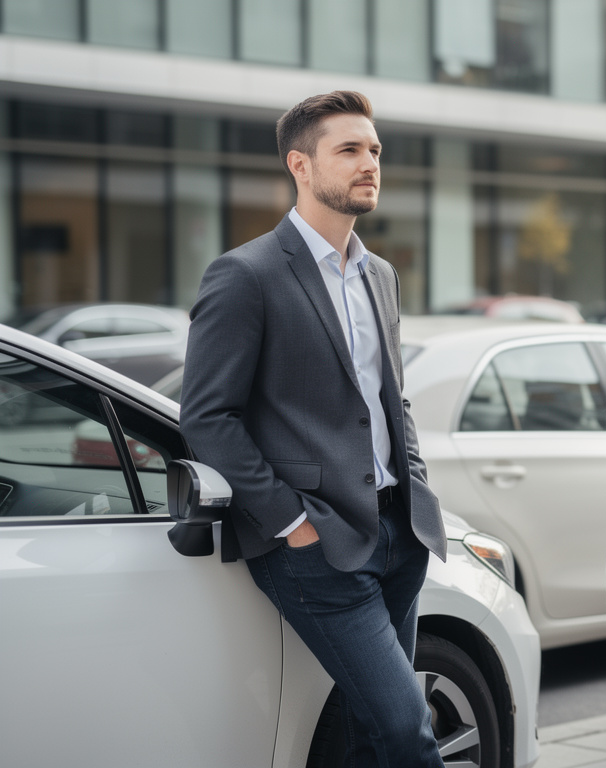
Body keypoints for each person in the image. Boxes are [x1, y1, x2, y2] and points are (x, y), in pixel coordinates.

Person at [180, 91, 445, 767]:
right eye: (349, 150)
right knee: (409, 731)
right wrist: (290, 522)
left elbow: (392, 402)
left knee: (369, 735)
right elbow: (208, 415)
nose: (370, 164)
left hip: (398, 534)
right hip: (317, 545)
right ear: (301, 165)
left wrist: (415, 492)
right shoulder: (246, 274)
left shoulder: (379, 274)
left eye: (375, 150)